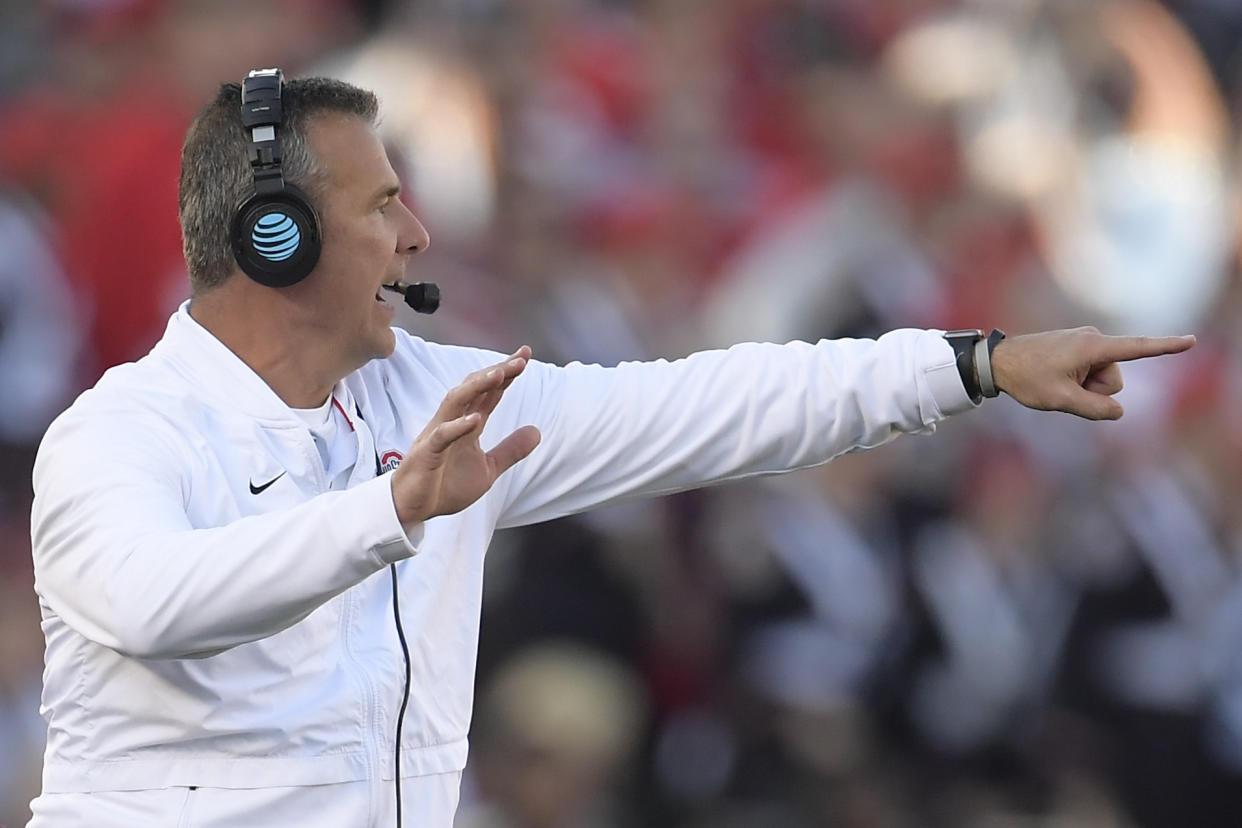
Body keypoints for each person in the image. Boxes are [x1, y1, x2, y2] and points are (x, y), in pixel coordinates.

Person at [26, 70, 1194, 828]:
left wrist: (970, 365)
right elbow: (155, 603)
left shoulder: (435, 400)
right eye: (383, 204)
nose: (418, 233)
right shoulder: (116, 436)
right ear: (271, 240)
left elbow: (705, 405)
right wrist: (387, 518)